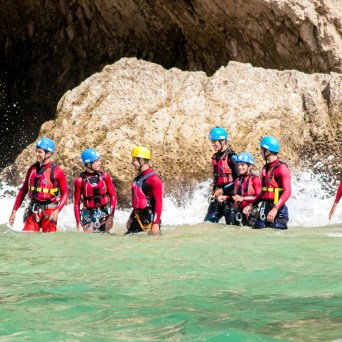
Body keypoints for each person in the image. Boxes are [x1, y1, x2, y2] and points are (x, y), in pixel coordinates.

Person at [8, 137, 68, 232]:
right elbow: (23, 190)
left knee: (48, 242)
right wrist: (14, 211)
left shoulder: (57, 171)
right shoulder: (32, 169)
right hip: (33, 210)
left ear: (48, 153)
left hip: (50, 211)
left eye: (40, 152)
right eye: (36, 151)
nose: (37, 154)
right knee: (28, 240)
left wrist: (57, 210)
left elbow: (65, 193)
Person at [243, 136, 291, 229]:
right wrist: (251, 204)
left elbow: (287, 192)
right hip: (265, 208)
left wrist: (275, 209)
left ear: (267, 151)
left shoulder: (282, 168)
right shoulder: (266, 167)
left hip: (278, 210)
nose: (260, 152)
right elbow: (263, 192)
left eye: (262, 150)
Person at [74, 149, 117, 233]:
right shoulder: (79, 181)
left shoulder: (105, 176)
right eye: (96, 161)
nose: (99, 163)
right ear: (89, 163)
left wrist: (111, 216)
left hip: (103, 212)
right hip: (88, 214)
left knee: (105, 237)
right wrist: (78, 224)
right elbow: (76, 203)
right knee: (88, 238)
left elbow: (113, 196)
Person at [204, 127, 240, 224]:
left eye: (215, 141)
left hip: (230, 199)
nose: (212, 144)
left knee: (232, 227)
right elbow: (217, 180)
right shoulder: (216, 157)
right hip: (217, 198)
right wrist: (214, 192)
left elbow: (239, 179)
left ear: (223, 141)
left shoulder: (232, 157)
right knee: (208, 223)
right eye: (212, 141)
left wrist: (223, 190)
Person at [126, 146, 163, 234]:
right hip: (137, 218)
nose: (132, 162)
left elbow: (159, 202)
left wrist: (156, 223)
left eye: (134, 160)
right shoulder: (139, 178)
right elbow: (138, 202)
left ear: (141, 160)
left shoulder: (154, 178)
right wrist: (131, 218)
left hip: (149, 221)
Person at [217, 152, 261, 226]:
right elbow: (236, 198)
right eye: (238, 165)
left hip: (251, 210)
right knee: (228, 207)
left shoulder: (255, 179)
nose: (239, 167)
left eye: (242, 165)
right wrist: (226, 197)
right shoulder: (238, 180)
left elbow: (259, 197)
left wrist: (243, 199)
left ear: (250, 166)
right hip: (239, 210)